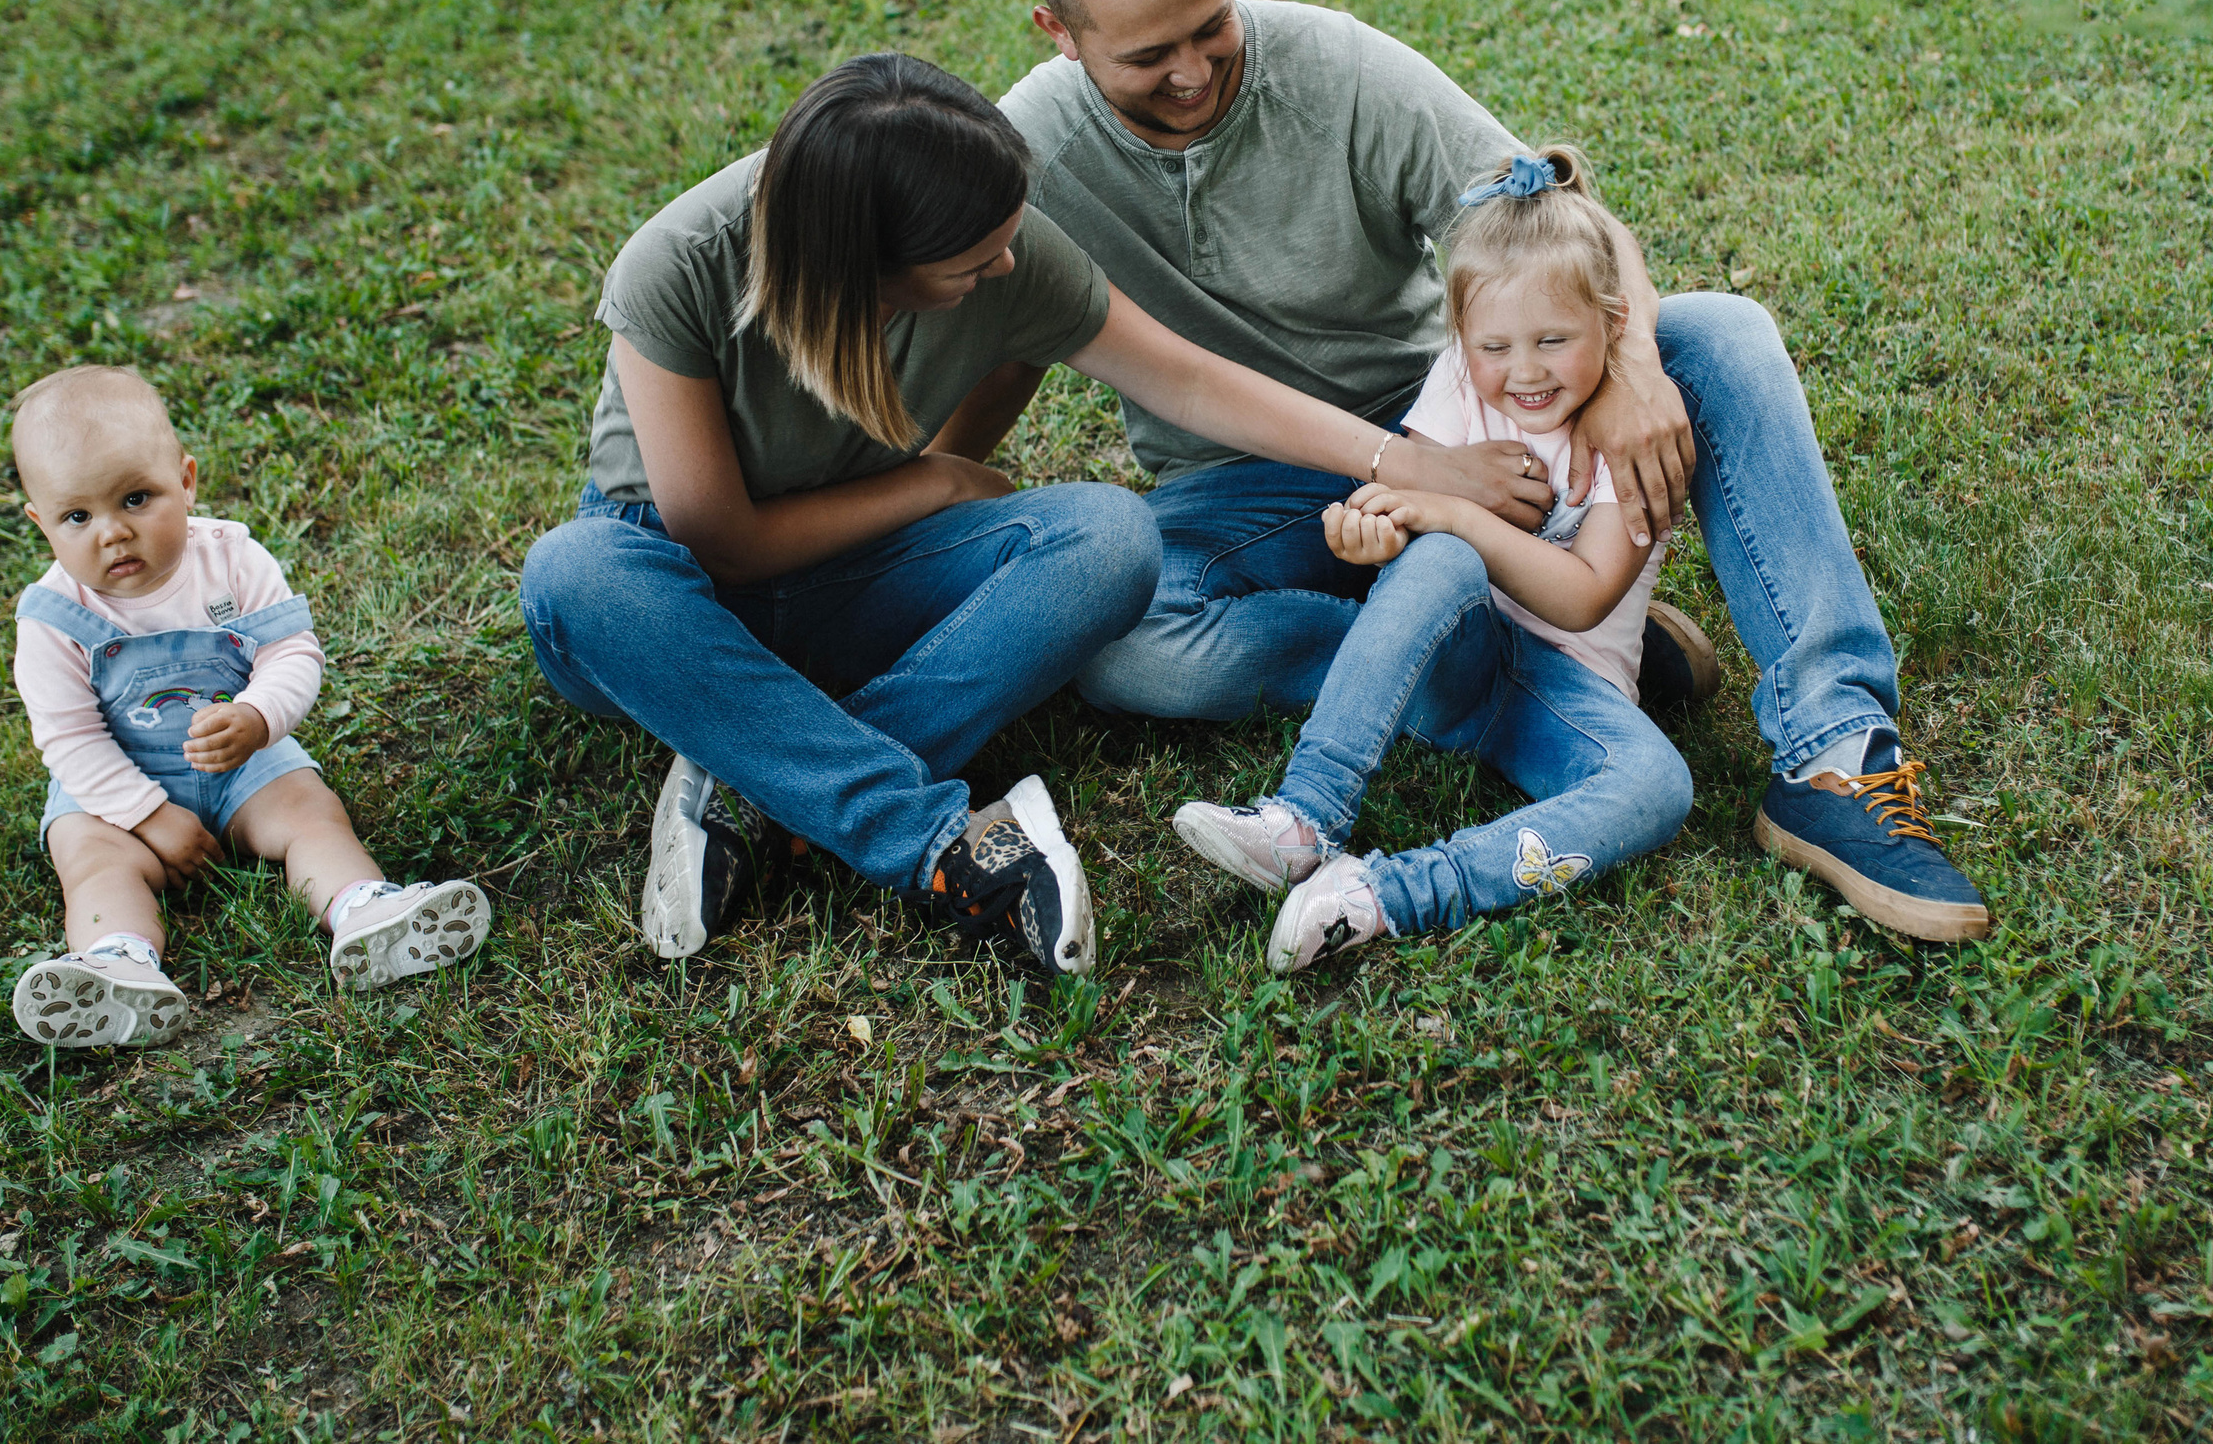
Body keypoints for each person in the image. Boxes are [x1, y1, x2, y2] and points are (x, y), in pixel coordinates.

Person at [996, 0, 1990, 943]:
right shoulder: (1030, 144)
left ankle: (1834, 756)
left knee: (1721, 335)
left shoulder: (1337, 66)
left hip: (1452, 430)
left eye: (1211, 27)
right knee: (1124, 644)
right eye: (1148, 56)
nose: (1193, 72)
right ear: (1060, 31)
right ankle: (1498, 653)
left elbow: (1561, 214)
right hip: (1245, 487)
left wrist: (1635, 364)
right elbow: (986, 327)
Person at [516, 53, 1570, 976]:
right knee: (573, 575)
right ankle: (928, 841)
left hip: (863, 585)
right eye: (972, 262)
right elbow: (722, 542)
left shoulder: (990, 242)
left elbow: (1191, 382)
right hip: (675, 603)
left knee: (1109, 537)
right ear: (869, 265)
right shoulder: (679, 263)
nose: (1007, 268)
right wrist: (929, 484)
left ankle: (763, 789)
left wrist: (1408, 459)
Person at [1176, 148, 1689, 970]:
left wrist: (1451, 512)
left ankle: (1381, 896)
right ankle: (1302, 820)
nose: (1523, 371)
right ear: (1461, 338)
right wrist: (1374, 534)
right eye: (1496, 346)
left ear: (1614, 324)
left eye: (1554, 340)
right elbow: (1417, 544)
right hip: (1454, 659)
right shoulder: (1461, 379)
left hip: (1560, 696)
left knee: (1660, 785)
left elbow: (1584, 595)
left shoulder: (1627, 437)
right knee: (1442, 559)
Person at [8, 367, 489, 1049]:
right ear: (40, 522)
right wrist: (146, 815)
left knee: (310, 811)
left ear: (187, 479)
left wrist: (260, 714)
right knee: (89, 857)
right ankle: (114, 961)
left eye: (136, 498)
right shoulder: (53, 617)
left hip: (246, 761)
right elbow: (69, 738)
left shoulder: (232, 560)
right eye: (77, 517)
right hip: (112, 787)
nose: (112, 533)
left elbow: (293, 652)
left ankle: (362, 908)